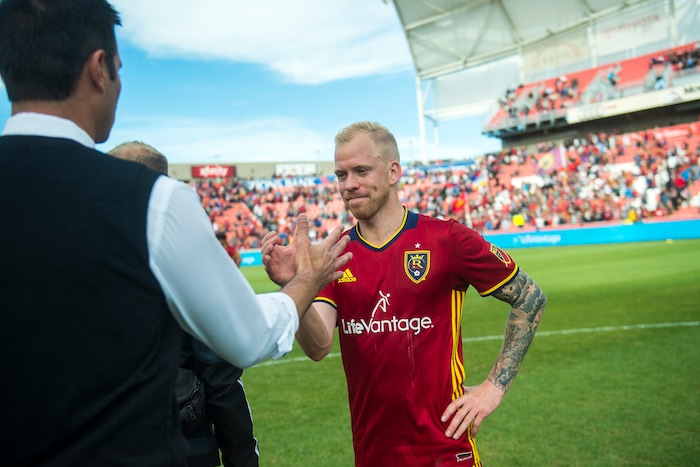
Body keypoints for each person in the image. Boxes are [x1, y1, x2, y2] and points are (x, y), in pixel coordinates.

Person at [0, 1, 351, 465]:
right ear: (99, 68)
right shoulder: (152, 200)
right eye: (121, 69)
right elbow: (245, 338)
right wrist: (308, 279)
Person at [262, 121, 547, 467]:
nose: (349, 185)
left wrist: (493, 388)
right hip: (372, 456)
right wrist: (295, 283)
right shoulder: (333, 257)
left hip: (445, 453)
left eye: (361, 171)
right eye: (340, 175)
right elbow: (318, 345)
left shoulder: (447, 240)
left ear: (393, 171)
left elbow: (530, 297)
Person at [108, 141, 259, 467]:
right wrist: (243, 459)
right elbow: (222, 380)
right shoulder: (183, 263)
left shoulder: (76, 257)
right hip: (184, 446)